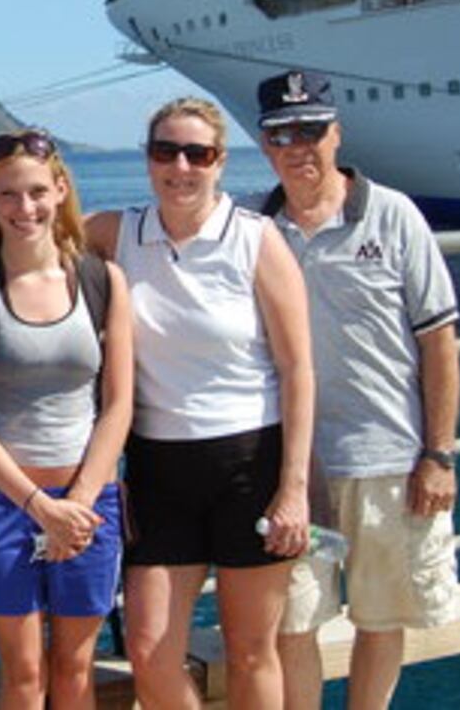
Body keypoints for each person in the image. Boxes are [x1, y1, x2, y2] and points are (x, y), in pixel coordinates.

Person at [85, 96, 314, 710]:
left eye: (198, 153)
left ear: (220, 162)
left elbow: (297, 369)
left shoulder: (255, 239)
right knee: (148, 647)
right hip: (158, 469)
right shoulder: (117, 233)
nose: (180, 167)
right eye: (166, 152)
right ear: (147, 159)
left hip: (251, 465)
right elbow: (29, 237)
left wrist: (293, 489)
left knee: (251, 650)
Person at [253, 71, 460, 710]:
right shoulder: (252, 227)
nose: (298, 146)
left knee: (382, 617)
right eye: (281, 134)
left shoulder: (393, 215)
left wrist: (439, 454)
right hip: (294, 472)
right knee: (293, 624)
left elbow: (439, 342)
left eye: (311, 130)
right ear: (264, 145)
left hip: (387, 462)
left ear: (336, 134)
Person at [0, 129, 134, 709]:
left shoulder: (102, 280)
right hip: (4, 505)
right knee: (23, 675)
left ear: (61, 190)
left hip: (89, 506)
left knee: (76, 669)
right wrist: (40, 507)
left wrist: (81, 501)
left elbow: (118, 402)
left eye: (37, 192)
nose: (25, 207)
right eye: (9, 194)